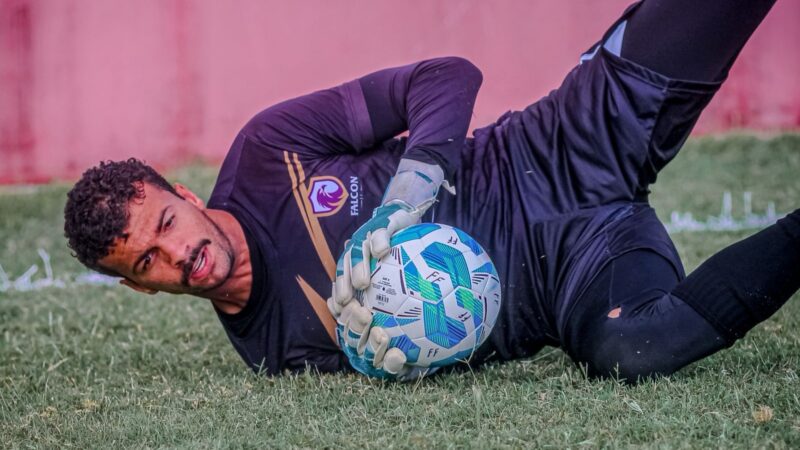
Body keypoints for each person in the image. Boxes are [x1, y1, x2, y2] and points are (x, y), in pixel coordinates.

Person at [64, 0, 798, 382]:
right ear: (141, 290)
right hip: (569, 277)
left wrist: (409, 190)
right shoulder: (277, 352)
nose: (176, 252)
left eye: (165, 222)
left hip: (560, 148)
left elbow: (446, 76)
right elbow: (423, 350)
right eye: (147, 262)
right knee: (637, 350)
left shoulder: (267, 151)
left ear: (186, 196)